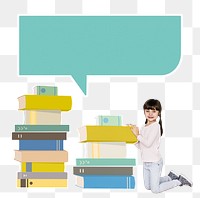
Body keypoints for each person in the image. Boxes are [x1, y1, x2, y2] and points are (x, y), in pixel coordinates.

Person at [128, 99, 192, 193]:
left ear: (159, 113)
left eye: (154, 111)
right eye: (147, 111)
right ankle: (170, 177)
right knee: (147, 186)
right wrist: (132, 139)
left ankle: (179, 181)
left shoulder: (156, 126)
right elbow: (142, 146)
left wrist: (137, 134)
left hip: (155, 163)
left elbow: (148, 143)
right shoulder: (143, 127)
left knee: (155, 190)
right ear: (144, 112)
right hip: (146, 162)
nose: (150, 114)